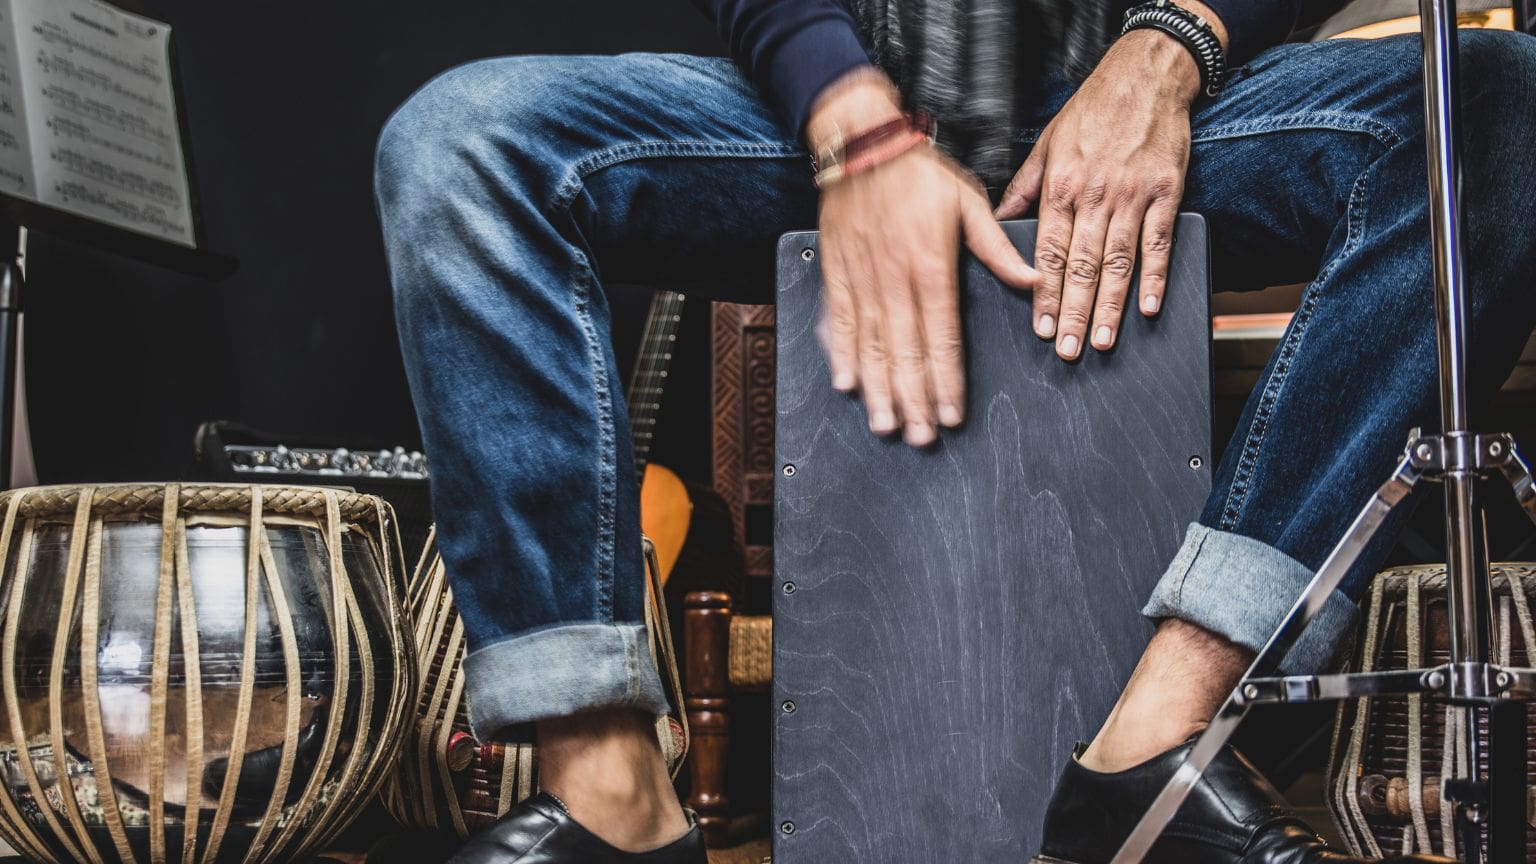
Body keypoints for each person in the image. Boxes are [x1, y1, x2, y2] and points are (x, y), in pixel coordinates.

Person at [373, 0, 1536, 859]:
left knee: (1499, 102)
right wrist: (853, 122)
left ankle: (1159, 756)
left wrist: (1175, 46)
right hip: (842, 110)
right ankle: (609, 794)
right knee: (462, 143)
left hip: (1151, 102)